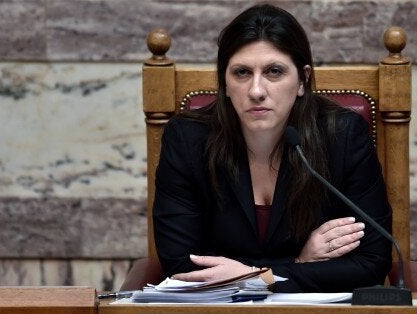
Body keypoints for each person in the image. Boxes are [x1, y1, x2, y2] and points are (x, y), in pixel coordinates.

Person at [153, 3, 392, 293]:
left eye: (274, 71)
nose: (256, 90)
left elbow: (372, 263)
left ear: (303, 80)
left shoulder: (342, 136)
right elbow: (181, 264)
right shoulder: (189, 139)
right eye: (241, 72)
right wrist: (298, 263)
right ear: (224, 84)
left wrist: (258, 275)